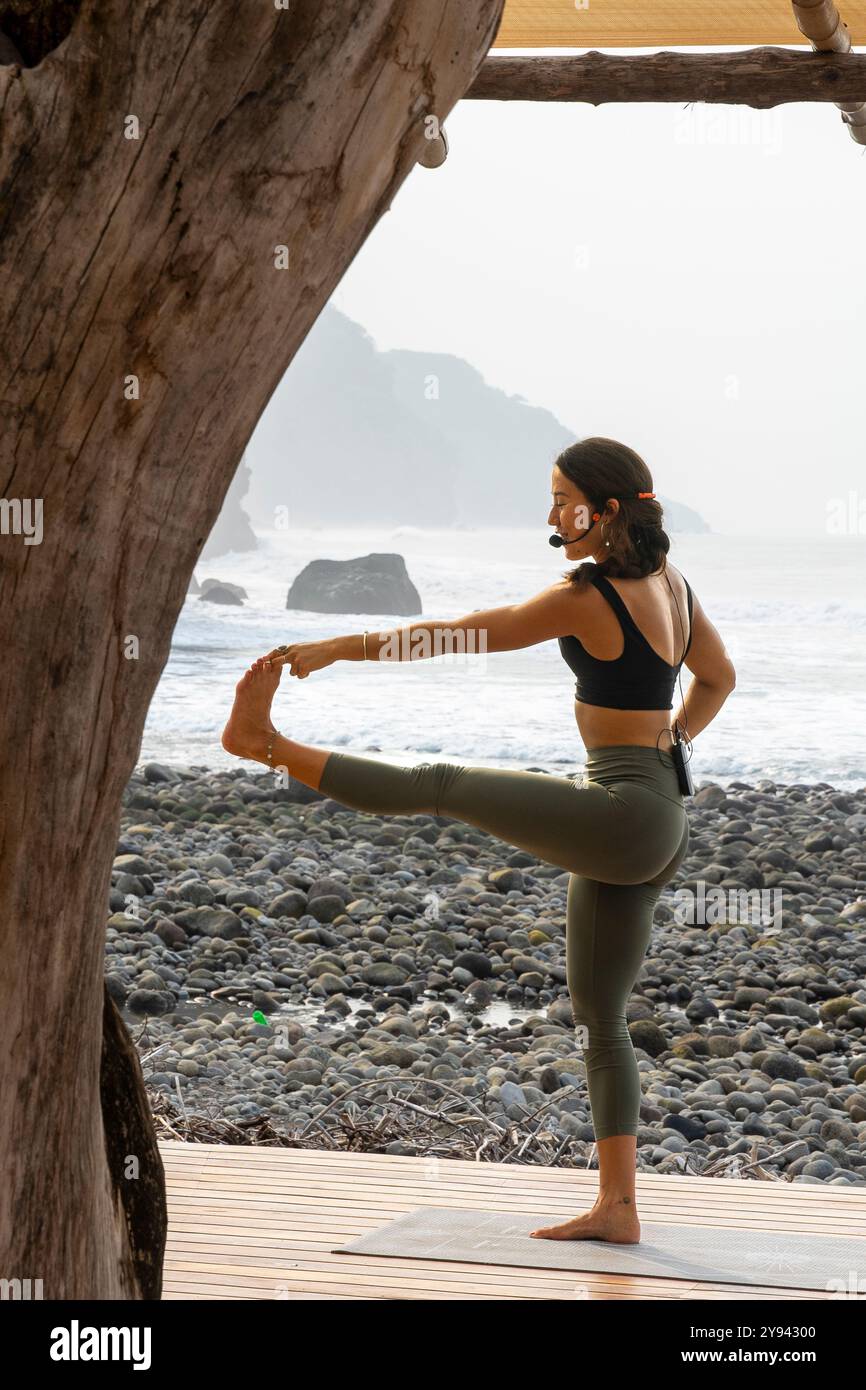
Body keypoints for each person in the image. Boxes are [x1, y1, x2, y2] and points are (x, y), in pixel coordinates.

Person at [221, 435, 736, 1245]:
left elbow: (458, 634)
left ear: (603, 512)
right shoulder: (673, 584)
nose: (551, 513)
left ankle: (265, 746)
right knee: (600, 1018)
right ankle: (619, 1209)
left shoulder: (588, 596)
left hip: (628, 814)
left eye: (562, 498)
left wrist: (337, 647)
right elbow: (719, 678)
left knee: (442, 784)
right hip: (661, 815)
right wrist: (673, 742)